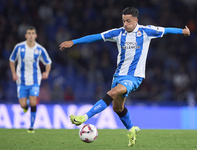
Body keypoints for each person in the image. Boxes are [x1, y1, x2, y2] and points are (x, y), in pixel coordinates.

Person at [59, 7, 190, 146]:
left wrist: (183, 31)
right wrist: (74, 42)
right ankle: (131, 129)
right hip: (118, 76)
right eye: (123, 21)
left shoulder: (146, 31)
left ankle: (84, 117)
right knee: (117, 108)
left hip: (134, 78)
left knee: (112, 93)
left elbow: (166, 29)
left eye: (128, 21)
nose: (125, 24)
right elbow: (95, 36)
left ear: (136, 20)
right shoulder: (118, 33)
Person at [9, 26, 52, 133]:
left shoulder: (40, 49)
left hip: (35, 80)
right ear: (26, 35)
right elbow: (11, 60)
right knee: (23, 105)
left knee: (33, 102)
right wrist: (14, 73)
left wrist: (46, 72)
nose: (31, 35)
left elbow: (48, 62)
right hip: (21, 81)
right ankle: (25, 106)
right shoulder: (19, 47)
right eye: (29, 33)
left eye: (33, 33)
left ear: (36, 36)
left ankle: (31, 126)